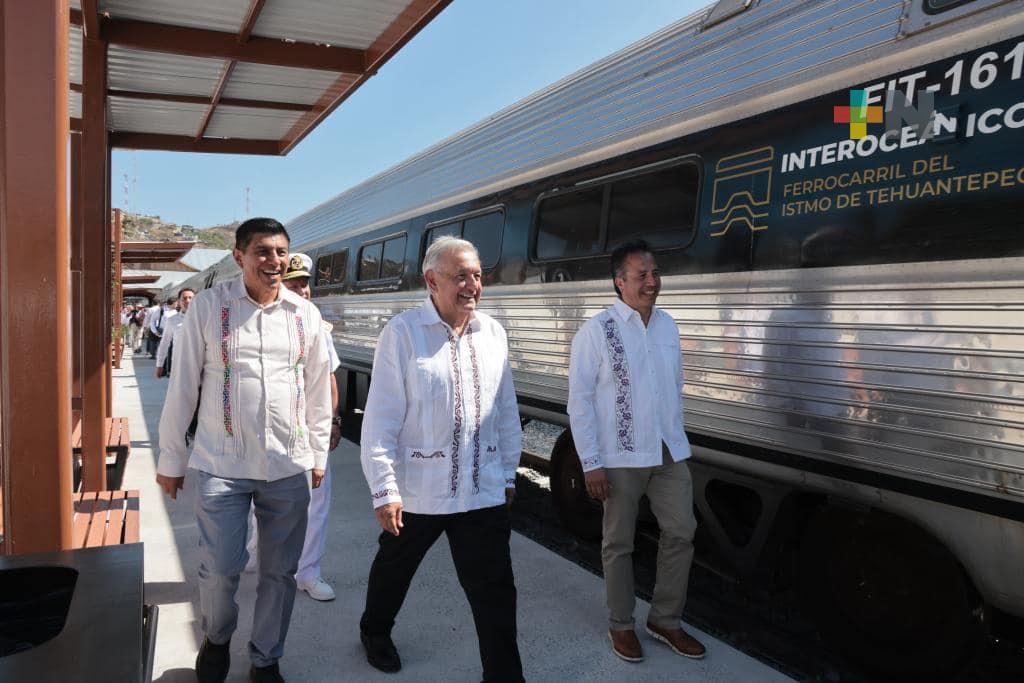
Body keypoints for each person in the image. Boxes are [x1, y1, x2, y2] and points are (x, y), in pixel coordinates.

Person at [156, 217, 333, 683]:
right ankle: (216, 639)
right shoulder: (210, 308)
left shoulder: (304, 315)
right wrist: (171, 460)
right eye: (262, 252)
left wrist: (318, 455)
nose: (273, 261)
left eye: (280, 252)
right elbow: (183, 388)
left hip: (287, 465)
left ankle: (265, 658)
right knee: (219, 570)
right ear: (239, 257)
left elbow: (317, 391)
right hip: (221, 466)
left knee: (280, 572)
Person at [359, 236, 524, 681]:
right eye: (460, 276)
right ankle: (375, 632)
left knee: (495, 592)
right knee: (395, 569)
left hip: (481, 490)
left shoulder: (493, 332)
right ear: (432, 281)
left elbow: (505, 409)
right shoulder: (402, 334)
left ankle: (505, 676)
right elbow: (381, 418)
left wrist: (508, 472)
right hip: (419, 490)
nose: (472, 284)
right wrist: (385, 488)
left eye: (477, 275)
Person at [567, 239, 705, 664]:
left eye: (655, 273)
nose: (652, 281)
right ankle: (621, 624)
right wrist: (591, 462)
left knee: (682, 531)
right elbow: (580, 400)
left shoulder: (667, 325)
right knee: (619, 542)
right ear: (619, 282)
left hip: (667, 449)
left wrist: (674, 433)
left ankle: (665, 619)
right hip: (621, 455)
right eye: (641, 275)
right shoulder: (597, 331)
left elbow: (675, 386)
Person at [245, 253, 342, 601]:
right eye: (294, 282)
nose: (303, 289)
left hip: (309, 432)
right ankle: (257, 551)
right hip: (269, 430)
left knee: (316, 502)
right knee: (264, 498)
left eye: (305, 283)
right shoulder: (257, 325)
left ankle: (307, 572)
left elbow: (329, 380)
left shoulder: (318, 327)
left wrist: (332, 422)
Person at [155, 288, 195, 378]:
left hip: (200, 366)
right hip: (180, 365)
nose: (187, 301)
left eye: (190, 298)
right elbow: (164, 343)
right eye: (184, 298)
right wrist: (159, 365)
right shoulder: (172, 320)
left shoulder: (204, 319)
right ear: (179, 302)